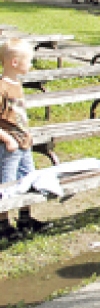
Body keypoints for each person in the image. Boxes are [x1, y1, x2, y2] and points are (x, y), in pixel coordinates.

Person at [0, 39, 53, 241]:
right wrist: (7, 139)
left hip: (23, 142)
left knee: (28, 179)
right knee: (7, 185)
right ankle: (3, 224)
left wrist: (27, 134)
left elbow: (19, 116)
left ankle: (25, 218)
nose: (31, 64)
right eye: (28, 60)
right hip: (9, 147)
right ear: (14, 62)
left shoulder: (17, 84)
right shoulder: (2, 87)